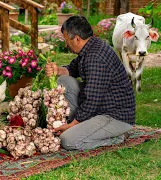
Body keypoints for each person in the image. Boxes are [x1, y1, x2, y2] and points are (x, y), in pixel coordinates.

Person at [45, 16, 135, 150]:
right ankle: (83, 125)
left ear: (76, 38)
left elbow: (91, 99)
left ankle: (117, 137)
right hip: (100, 105)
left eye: (66, 40)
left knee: (67, 140)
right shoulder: (90, 46)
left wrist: (73, 125)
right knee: (63, 80)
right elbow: (72, 69)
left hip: (115, 116)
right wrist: (57, 70)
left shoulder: (95, 58)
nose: (65, 44)